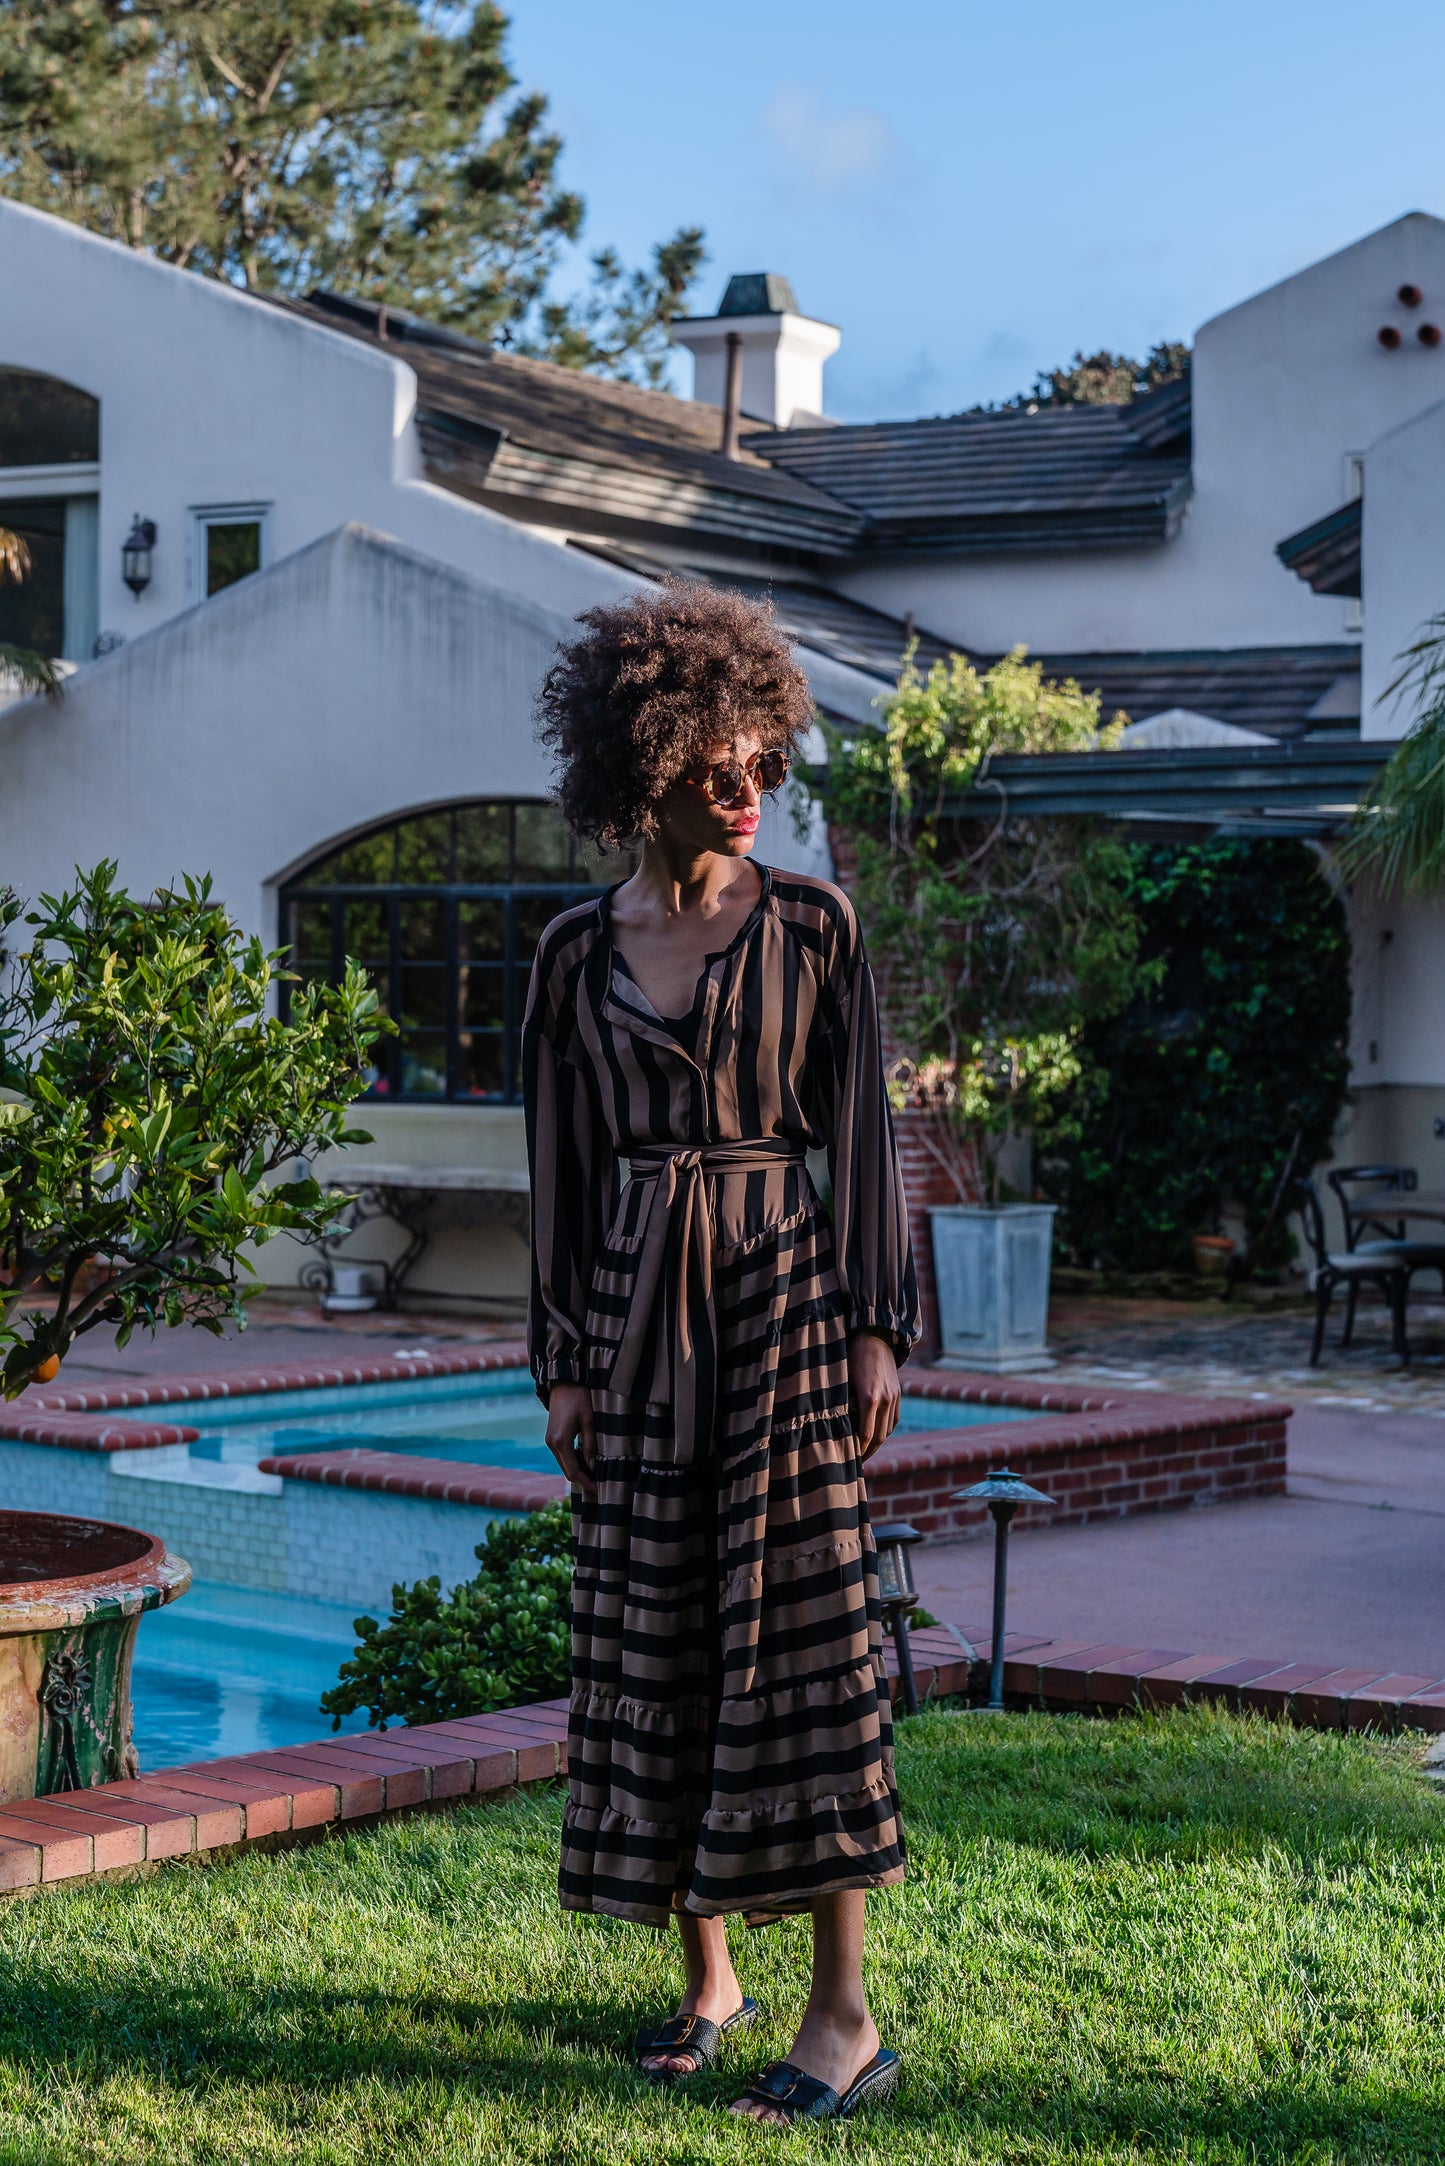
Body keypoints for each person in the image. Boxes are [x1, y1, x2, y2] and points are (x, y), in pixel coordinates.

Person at [521, 579, 922, 2128]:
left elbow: (861, 1135)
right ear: (644, 762)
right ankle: (707, 1978)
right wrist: (561, 1358)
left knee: (806, 1650)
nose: (748, 788)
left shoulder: (813, 926)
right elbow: (554, 1165)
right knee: (650, 1635)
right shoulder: (572, 952)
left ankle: (841, 2012)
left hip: (779, 1307)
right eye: (716, 764)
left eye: (764, 758)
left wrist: (877, 1320)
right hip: (627, 1318)